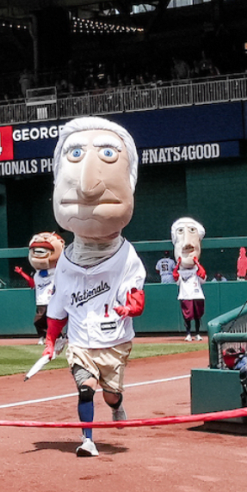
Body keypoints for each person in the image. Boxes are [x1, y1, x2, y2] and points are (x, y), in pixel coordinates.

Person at [43, 118, 148, 458]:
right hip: (80, 340)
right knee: (86, 389)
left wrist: (131, 306)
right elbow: (57, 304)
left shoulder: (126, 255)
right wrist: (50, 339)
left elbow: (136, 293)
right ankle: (87, 439)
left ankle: (117, 405)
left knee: (109, 393)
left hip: (113, 339)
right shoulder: (67, 261)